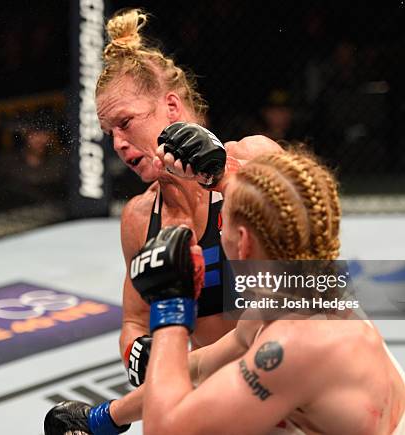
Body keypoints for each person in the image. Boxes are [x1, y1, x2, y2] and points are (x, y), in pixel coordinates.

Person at [45, 146, 405, 435]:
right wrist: (103, 417)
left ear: (241, 241)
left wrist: (171, 312)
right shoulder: (297, 285)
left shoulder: (294, 345)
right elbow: (205, 364)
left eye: (224, 217)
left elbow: (168, 429)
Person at [94, 8, 281, 386]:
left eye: (126, 122)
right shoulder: (139, 218)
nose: (118, 142)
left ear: (172, 107)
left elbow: (313, 232)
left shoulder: (255, 157)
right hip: (224, 397)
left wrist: (223, 172)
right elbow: (134, 319)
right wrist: (138, 352)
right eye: (109, 131)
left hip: (300, 379)